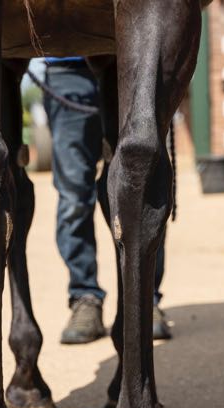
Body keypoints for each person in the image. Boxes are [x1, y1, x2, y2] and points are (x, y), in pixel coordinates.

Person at [43, 57, 172, 345]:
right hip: (68, 68)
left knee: (143, 193)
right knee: (73, 197)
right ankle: (85, 297)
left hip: (132, 64)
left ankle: (145, 299)